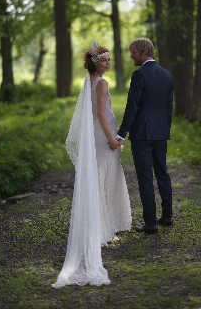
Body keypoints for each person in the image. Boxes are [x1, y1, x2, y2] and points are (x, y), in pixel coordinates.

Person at [52, 41, 132, 288]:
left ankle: (101, 222)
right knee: (105, 174)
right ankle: (103, 225)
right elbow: (99, 113)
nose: (109, 63)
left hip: (97, 134)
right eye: (105, 60)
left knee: (101, 174)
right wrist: (111, 138)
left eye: (109, 59)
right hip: (102, 134)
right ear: (96, 63)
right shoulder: (102, 83)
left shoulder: (89, 81)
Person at [117, 37, 174, 234]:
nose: (131, 55)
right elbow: (169, 108)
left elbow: (132, 108)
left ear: (142, 52)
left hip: (142, 134)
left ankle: (151, 223)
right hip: (161, 133)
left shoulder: (139, 75)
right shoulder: (167, 75)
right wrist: (165, 129)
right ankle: (167, 215)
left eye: (133, 52)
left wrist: (120, 134)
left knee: (145, 178)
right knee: (162, 173)